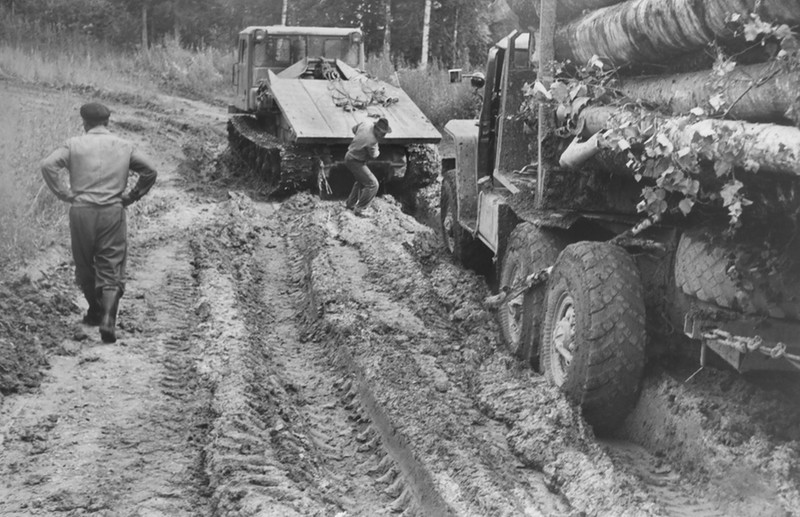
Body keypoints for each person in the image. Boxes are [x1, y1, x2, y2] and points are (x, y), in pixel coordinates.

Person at [41, 102, 158, 343]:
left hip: (81, 211)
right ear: (107, 122)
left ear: (85, 123)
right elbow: (150, 171)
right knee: (111, 265)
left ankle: (94, 311)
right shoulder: (124, 146)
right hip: (111, 212)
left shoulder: (73, 144)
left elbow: (48, 165)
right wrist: (132, 195)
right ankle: (107, 318)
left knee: (84, 264)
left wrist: (64, 193)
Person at [344, 117, 391, 217]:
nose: (383, 136)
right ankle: (360, 209)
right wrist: (377, 147)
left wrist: (359, 140)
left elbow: (354, 129)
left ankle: (350, 204)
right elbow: (374, 155)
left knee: (361, 181)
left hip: (350, 156)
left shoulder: (365, 124)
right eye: (382, 134)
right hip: (355, 161)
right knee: (373, 184)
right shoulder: (372, 141)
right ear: (377, 129)